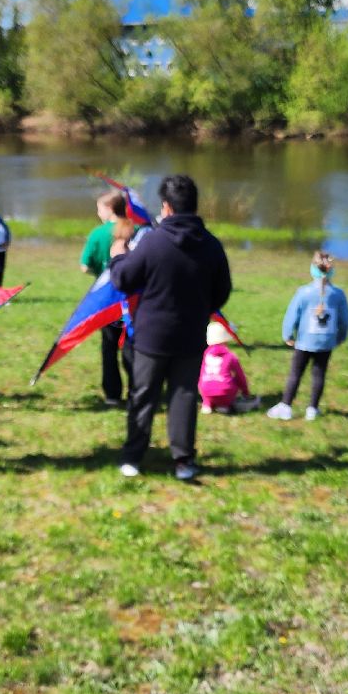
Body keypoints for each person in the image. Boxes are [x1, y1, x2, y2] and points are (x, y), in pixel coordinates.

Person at [110, 174, 231, 480]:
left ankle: (133, 458)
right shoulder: (212, 245)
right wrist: (202, 309)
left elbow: (124, 279)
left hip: (152, 336)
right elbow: (222, 292)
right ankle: (183, 462)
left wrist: (117, 259)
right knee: (184, 397)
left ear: (166, 207)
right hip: (191, 334)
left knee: (143, 396)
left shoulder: (153, 242)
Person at [268, 252, 348, 422]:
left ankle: (286, 406)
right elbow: (344, 320)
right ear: (331, 271)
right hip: (326, 343)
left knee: (295, 373)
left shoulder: (303, 292)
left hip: (304, 342)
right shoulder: (338, 294)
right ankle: (313, 409)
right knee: (319, 374)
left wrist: (287, 334)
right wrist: (340, 337)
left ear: (313, 269)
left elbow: (292, 315)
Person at [81, 190, 129, 405]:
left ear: (109, 209)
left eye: (99, 208)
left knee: (109, 346)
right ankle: (139, 389)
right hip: (133, 300)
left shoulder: (97, 234)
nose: (97, 212)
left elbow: (84, 266)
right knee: (131, 344)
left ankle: (112, 395)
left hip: (107, 300)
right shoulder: (134, 230)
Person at [198, 320, 257, 414]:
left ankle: (207, 404)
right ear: (225, 340)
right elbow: (240, 376)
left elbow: (201, 374)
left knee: (207, 381)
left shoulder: (205, 354)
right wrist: (245, 391)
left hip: (205, 391)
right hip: (225, 392)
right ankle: (224, 405)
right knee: (231, 381)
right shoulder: (230, 356)